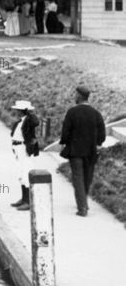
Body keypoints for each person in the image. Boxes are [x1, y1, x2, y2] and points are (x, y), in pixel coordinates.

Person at [56, 86, 106, 217]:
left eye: (75, 94)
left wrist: (64, 143)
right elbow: (102, 134)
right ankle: (83, 201)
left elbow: (65, 132)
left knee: (78, 178)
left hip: (76, 151)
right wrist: (98, 144)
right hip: (91, 151)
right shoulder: (96, 113)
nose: (74, 96)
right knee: (87, 178)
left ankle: (82, 207)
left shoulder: (72, 112)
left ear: (79, 96)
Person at [8, 100, 39, 211]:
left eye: (18, 110)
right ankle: (24, 198)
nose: (16, 111)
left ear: (22, 111)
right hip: (18, 149)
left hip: (24, 149)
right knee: (21, 174)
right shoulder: (21, 121)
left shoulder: (29, 120)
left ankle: (28, 201)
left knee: (25, 174)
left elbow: (36, 121)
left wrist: (29, 113)